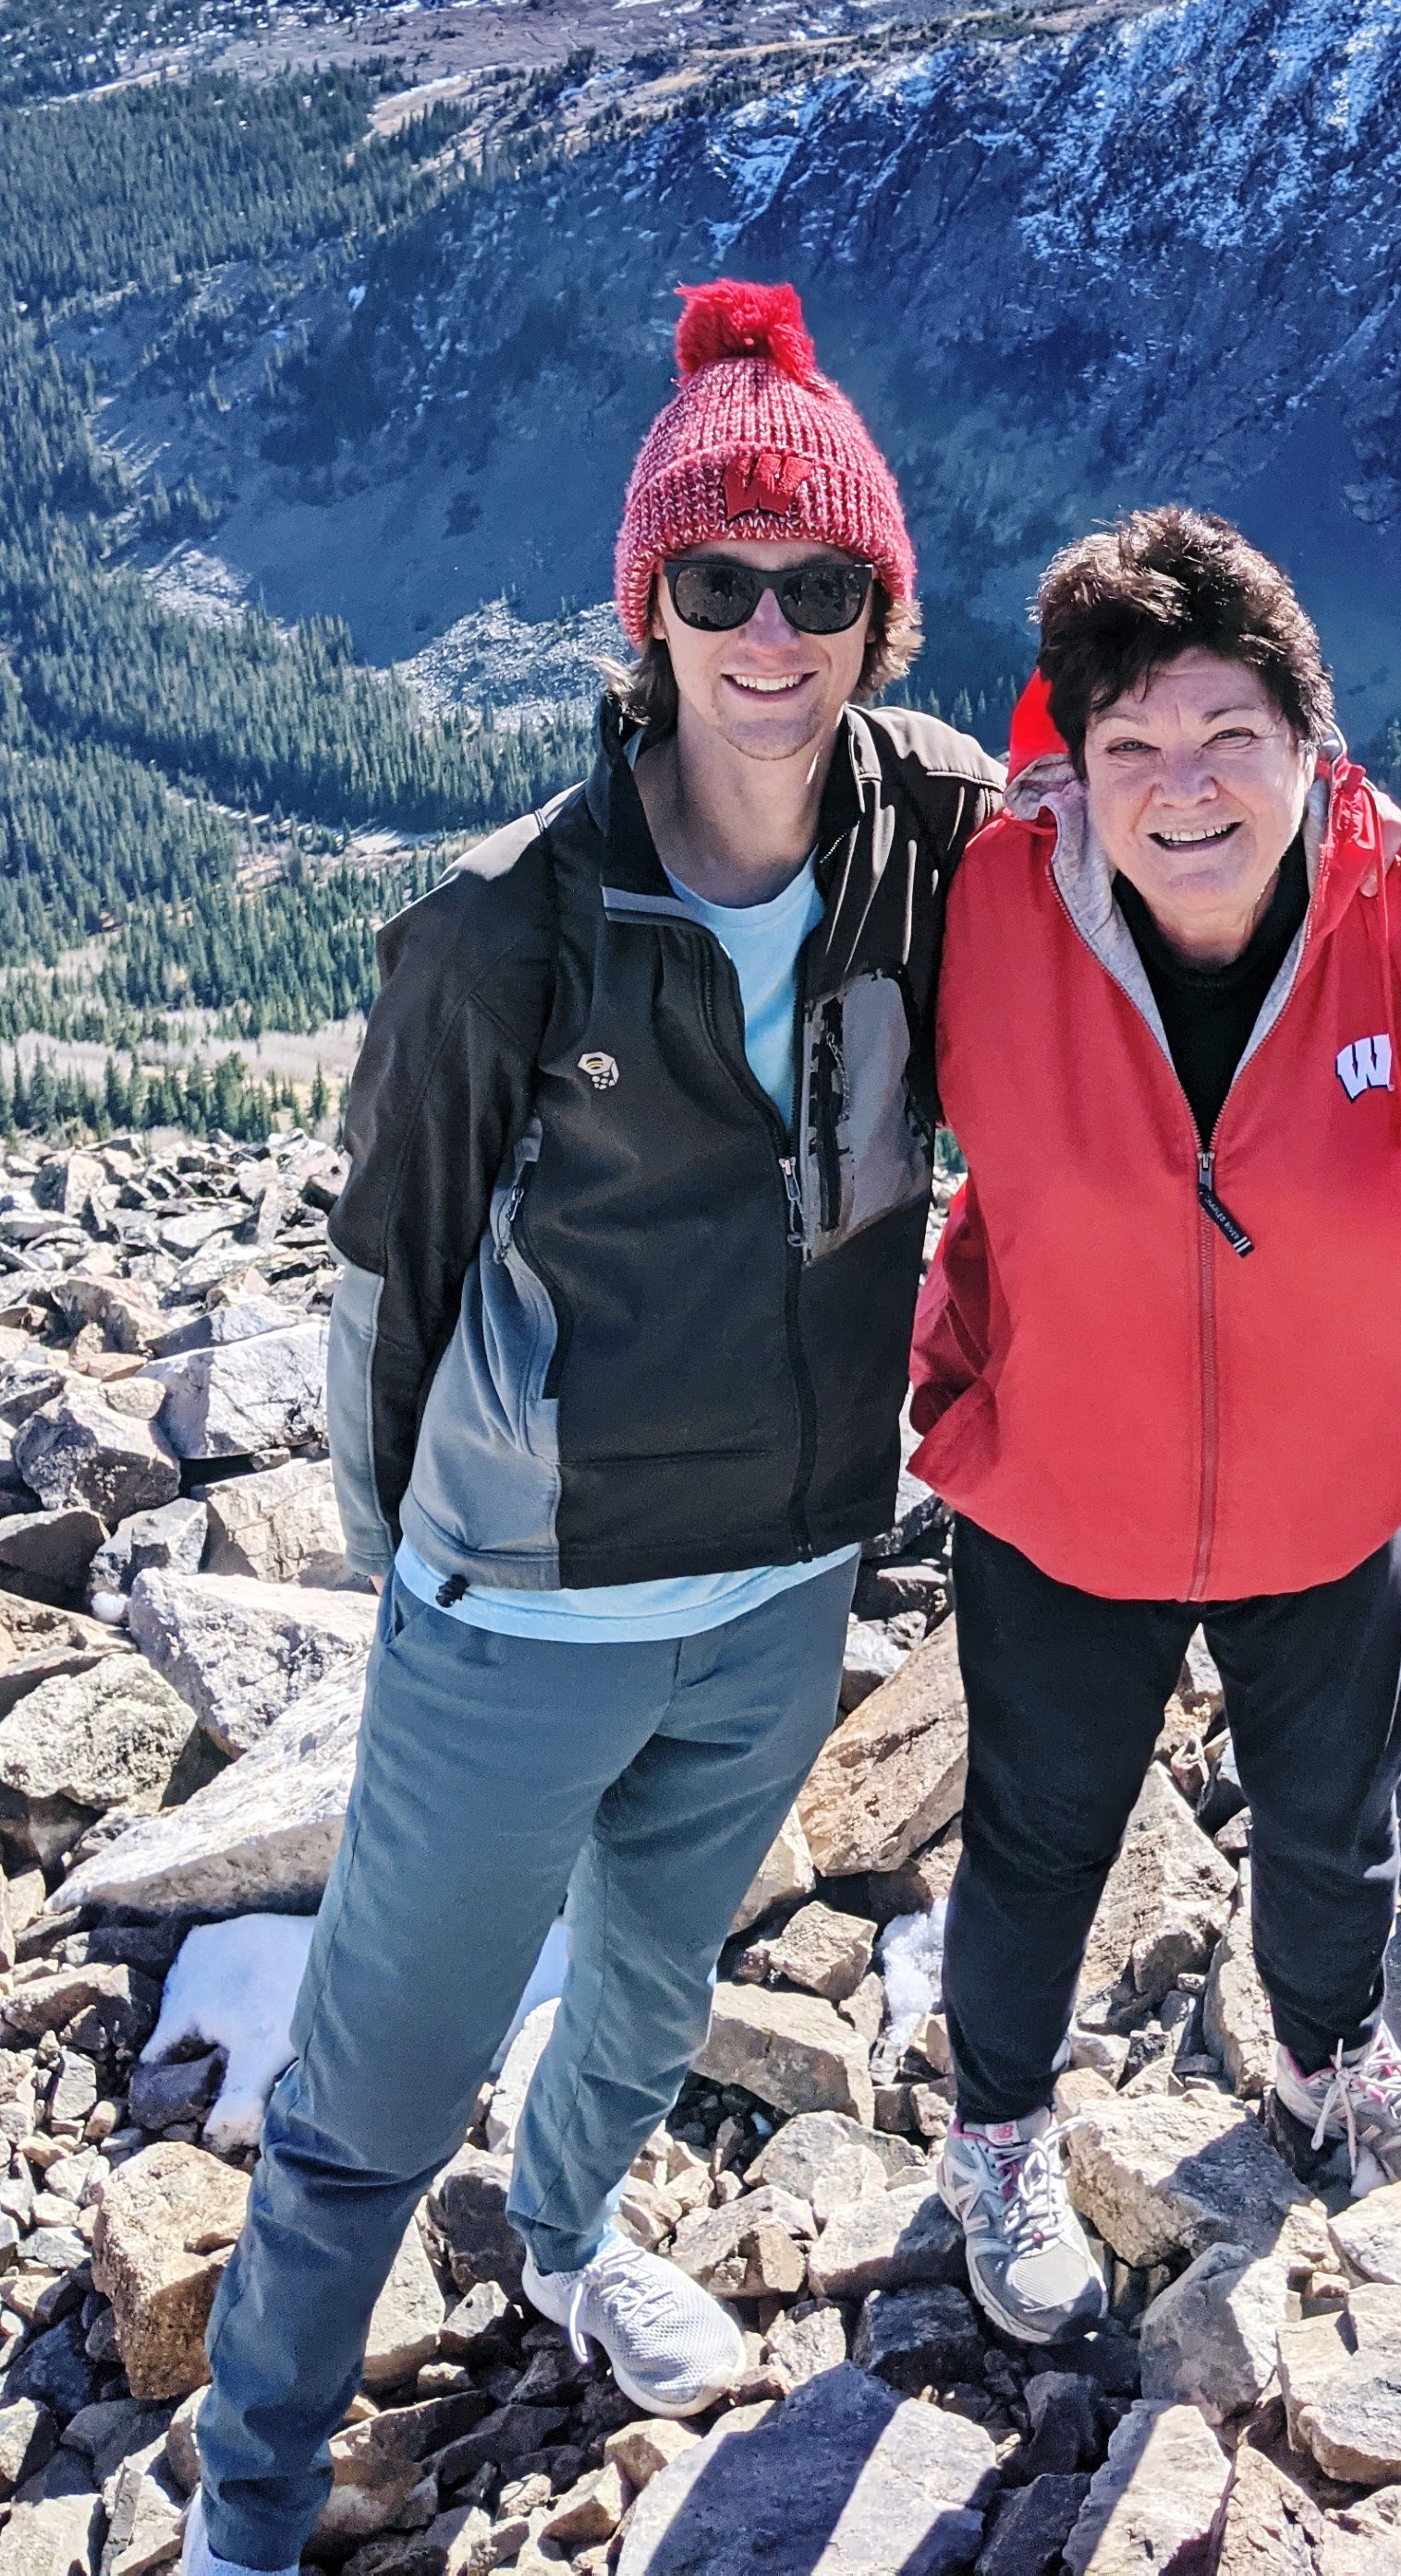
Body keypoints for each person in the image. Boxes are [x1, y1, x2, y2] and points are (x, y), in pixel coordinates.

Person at [189, 282, 1003, 2576]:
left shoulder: (927, 836)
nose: (769, 630)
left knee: (654, 1982)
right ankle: (251, 2504)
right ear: (643, 611)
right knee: (371, 2079)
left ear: (879, 613)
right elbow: (392, 1283)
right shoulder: (501, 941)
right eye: (716, 582)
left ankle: (565, 2236)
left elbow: (1150, 793)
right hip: (521, 1617)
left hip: (787, 1583)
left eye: (819, 584)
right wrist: (425, 1569)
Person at [913, 505, 1401, 2345]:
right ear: (1072, 768)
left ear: (1312, 733)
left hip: (1327, 1503)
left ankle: (1322, 2067)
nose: (1185, 787)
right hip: (1062, 1500)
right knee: (1037, 1841)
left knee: (1332, 1833)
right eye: (1129, 745)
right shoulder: (989, 908)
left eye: (1230, 734)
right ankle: (994, 2138)